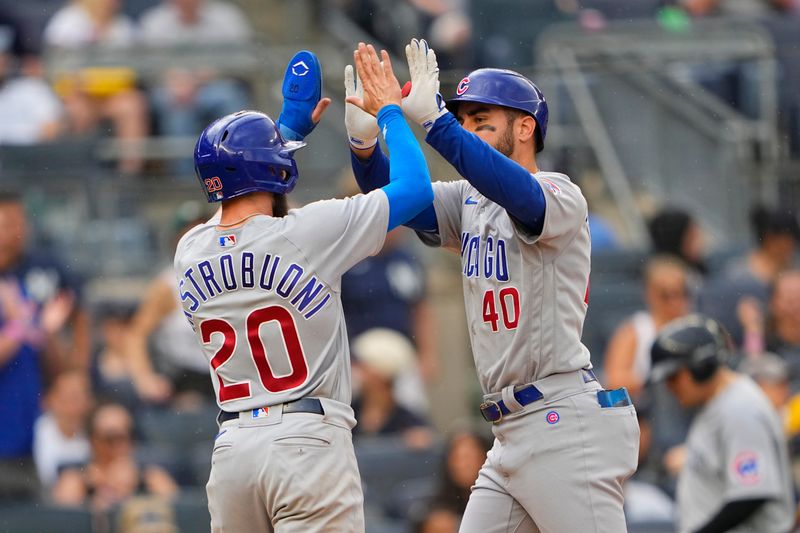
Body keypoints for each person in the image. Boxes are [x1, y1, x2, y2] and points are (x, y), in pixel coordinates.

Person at [350, 38, 639, 532]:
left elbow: (514, 191)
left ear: (525, 127)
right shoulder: (469, 200)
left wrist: (437, 124)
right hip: (508, 433)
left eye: (482, 121)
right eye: (463, 121)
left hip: (562, 424)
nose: (468, 131)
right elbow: (397, 200)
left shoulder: (560, 193)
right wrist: (366, 145)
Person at [174, 45, 433, 531]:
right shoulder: (310, 231)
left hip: (232, 451)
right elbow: (417, 190)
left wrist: (285, 129)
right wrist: (391, 114)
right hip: (306, 440)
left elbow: (236, 206)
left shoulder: (189, 249)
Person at [650, 314, 794, 533]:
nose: (670, 387)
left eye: (674, 376)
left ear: (701, 366)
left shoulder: (740, 409)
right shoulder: (718, 404)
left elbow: (751, 495)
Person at [52, 401, 179, 511]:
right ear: (93, 440)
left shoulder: (150, 479)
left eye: (128, 435)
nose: (122, 445)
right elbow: (62, 520)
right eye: (111, 438)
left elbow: (179, 513)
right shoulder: (76, 481)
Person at [604, 255, 692, 398]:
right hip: (649, 410)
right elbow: (614, 382)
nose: (675, 302)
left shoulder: (697, 326)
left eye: (681, 293)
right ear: (650, 294)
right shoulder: (634, 332)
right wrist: (658, 378)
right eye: (666, 295)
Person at [350, 328, 434, 446]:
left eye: (362, 366)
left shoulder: (409, 422)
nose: (355, 371)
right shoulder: (347, 412)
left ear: (379, 374)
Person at [33, 369, 92, 488]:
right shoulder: (38, 431)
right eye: (71, 396)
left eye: (81, 395)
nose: (76, 403)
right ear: (51, 399)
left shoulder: (93, 429)